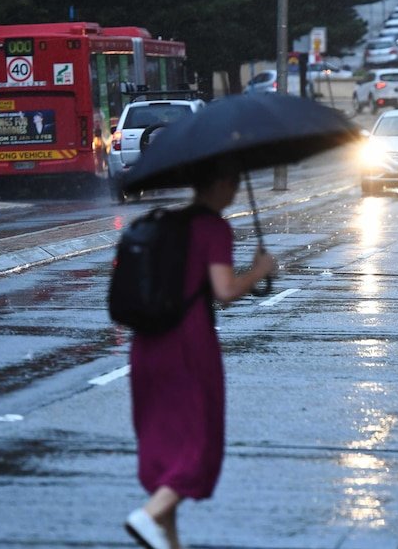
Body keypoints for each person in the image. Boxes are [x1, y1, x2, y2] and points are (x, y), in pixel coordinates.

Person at [124, 162, 276, 549]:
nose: (237, 190)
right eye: (235, 182)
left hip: (147, 345)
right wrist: (259, 271)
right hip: (188, 346)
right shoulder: (212, 227)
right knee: (198, 439)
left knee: (162, 441)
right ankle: (149, 515)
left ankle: (168, 540)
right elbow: (223, 290)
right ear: (221, 182)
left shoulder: (168, 222)